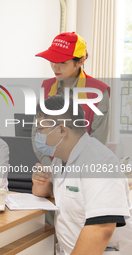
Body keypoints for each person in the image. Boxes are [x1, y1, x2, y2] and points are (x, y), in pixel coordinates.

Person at [32, 95, 132, 255]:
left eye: (40, 129)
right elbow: (58, 194)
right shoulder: (61, 158)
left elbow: (102, 228)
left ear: (62, 130)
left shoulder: (99, 162)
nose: (37, 136)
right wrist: (42, 184)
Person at [32, 31, 110, 166]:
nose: (55, 66)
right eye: (52, 60)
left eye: (62, 62)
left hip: (83, 169)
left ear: (80, 61)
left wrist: (70, 171)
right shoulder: (46, 87)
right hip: (50, 170)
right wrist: (49, 166)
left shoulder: (98, 92)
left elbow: (96, 141)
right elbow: (37, 132)